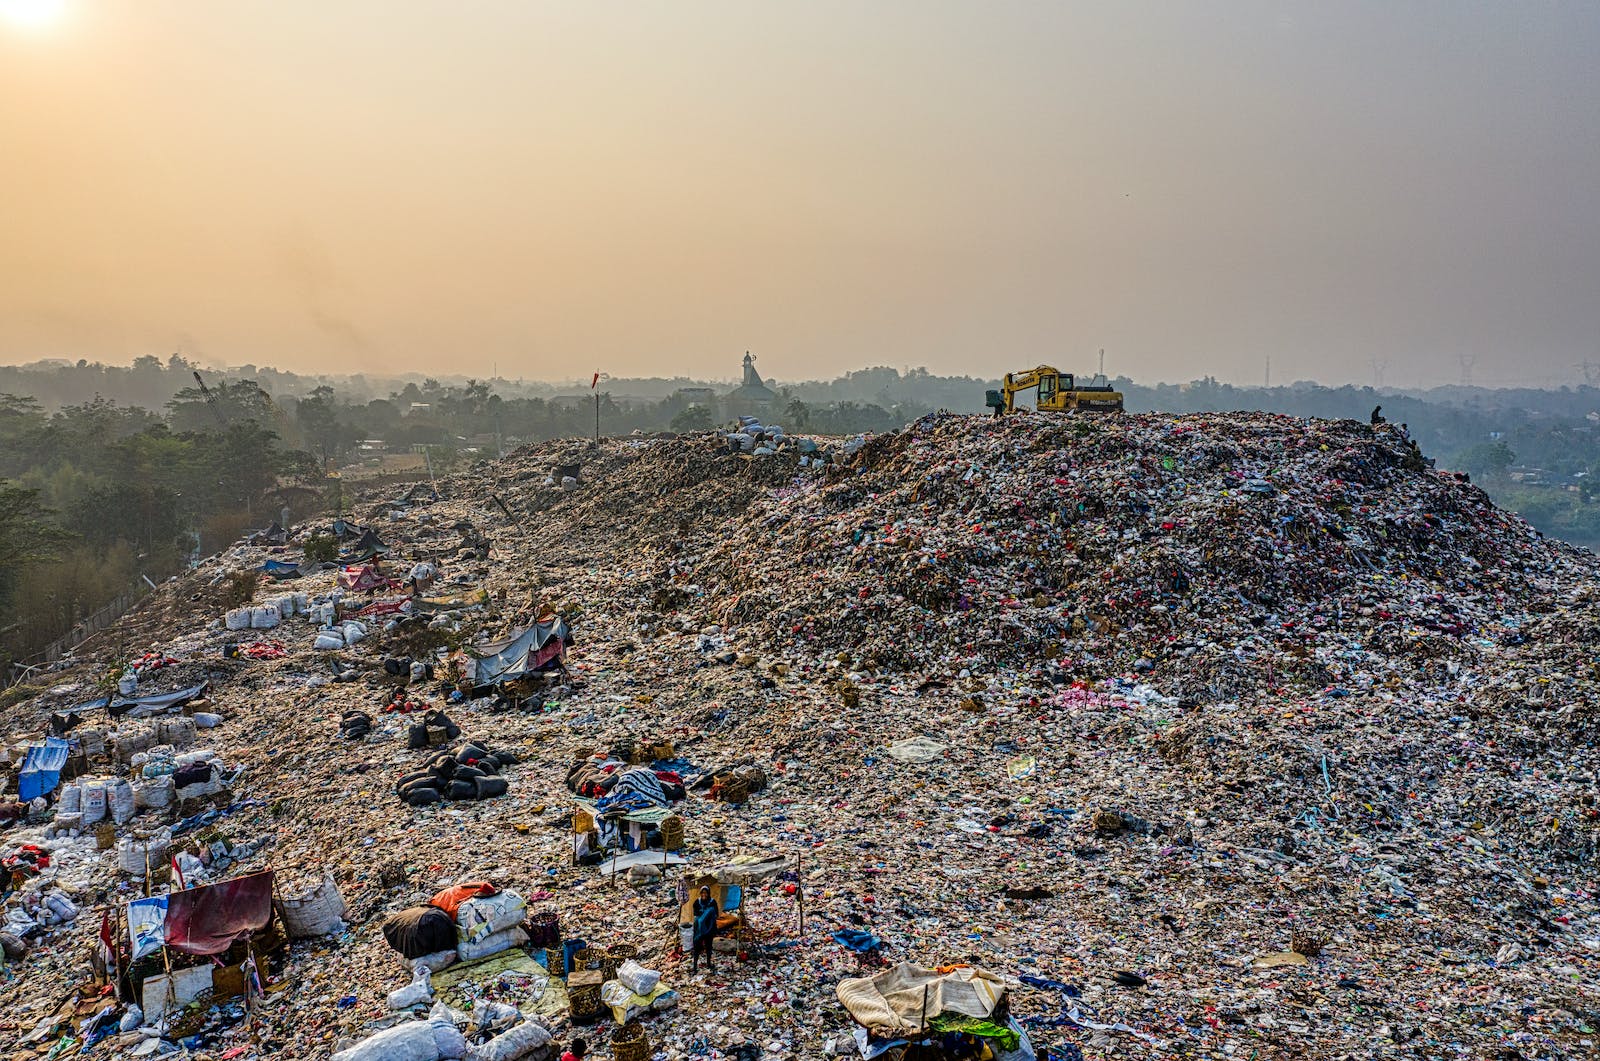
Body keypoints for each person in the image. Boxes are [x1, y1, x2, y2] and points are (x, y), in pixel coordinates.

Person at [692, 885, 719, 974]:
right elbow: (695, 913)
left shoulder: (712, 902)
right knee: (697, 948)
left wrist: (709, 915)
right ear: (700, 893)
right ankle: (695, 967)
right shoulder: (697, 902)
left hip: (709, 928)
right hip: (699, 929)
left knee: (708, 947)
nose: (704, 895)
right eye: (702, 893)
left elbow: (716, 914)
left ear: (708, 893)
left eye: (706, 893)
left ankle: (708, 963)